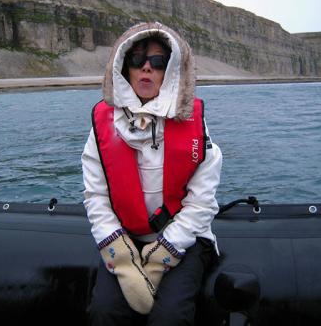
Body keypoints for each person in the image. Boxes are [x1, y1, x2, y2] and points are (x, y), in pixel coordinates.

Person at [81, 22, 222, 325]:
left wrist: (164, 253)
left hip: (185, 239)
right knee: (104, 312)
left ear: (170, 71)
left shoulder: (196, 127)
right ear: (124, 67)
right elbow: (95, 196)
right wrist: (119, 253)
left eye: (157, 62)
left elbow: (202, 202)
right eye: (137, 60)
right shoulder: (100, 128)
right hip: (125, 239)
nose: (146, 68)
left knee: (170, 317)